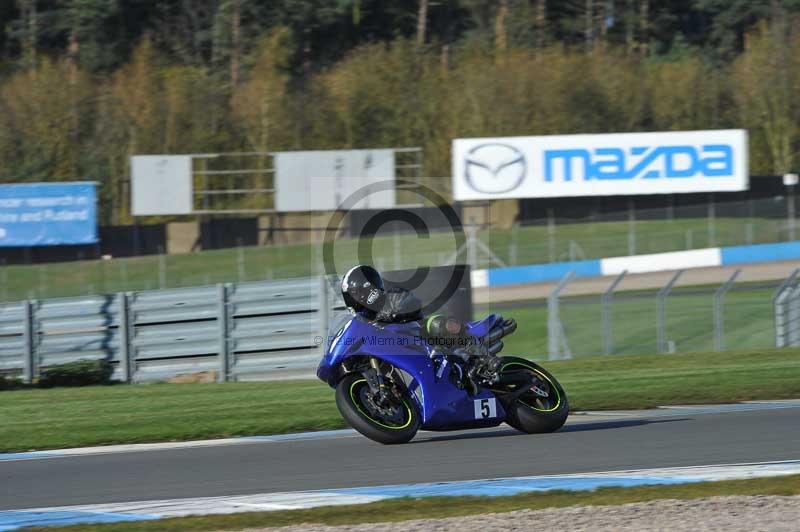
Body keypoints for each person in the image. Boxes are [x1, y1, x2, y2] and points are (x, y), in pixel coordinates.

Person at [340, 265, 500, 381]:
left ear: (369, 288)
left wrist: (389, 315)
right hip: (395, 348)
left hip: (420, 334)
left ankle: (485, 358)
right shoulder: (362, 319)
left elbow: (411, 304)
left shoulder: (392, 294)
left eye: (356, 293)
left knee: (438, 324)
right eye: (351, 296)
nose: (354, 299)